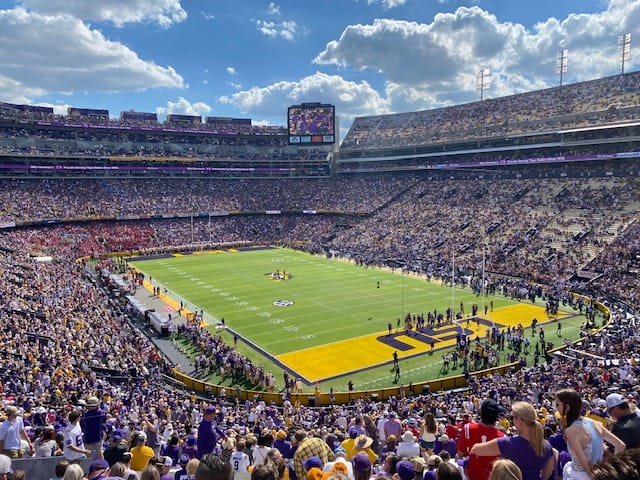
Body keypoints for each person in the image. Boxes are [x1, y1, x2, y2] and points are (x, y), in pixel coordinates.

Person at [471, 402, 554, 480]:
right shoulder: (546, 446)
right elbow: (547, 474)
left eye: (512, 417)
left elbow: (476, 449)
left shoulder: (507, 444)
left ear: (520, 421)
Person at [556, 389, 625, 479]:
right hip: (599, 473)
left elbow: (585, 464)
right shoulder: (594, 423)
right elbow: (620, 445)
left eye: (558, 404)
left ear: (567, 407)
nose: (556, 407)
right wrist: (611, 469)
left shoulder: (571, 430)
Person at [456, 399, 504, 480]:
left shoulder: (468, 428)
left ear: (481, 413)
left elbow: (460, 453)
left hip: (472, 476)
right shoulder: (503, 438)